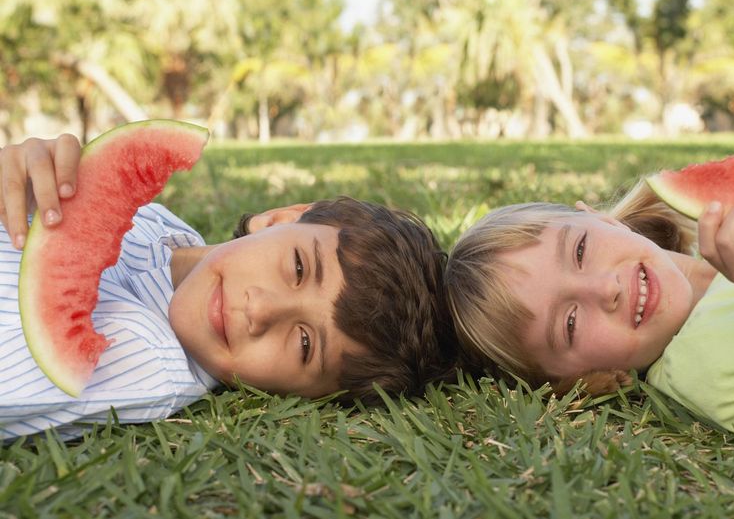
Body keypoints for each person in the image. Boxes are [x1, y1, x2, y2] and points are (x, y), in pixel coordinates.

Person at [0, 134, 457, 440]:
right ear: (280, 218)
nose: (260, 310)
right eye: (297, 267)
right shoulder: (163, 227)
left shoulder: (149, 362)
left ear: (306, 397)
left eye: (303, 344)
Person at [445, 173, 734, 432]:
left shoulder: (715, 225)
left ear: (601, 219)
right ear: (578, 379)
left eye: (580, 250)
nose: (605, 288)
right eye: (570, 322)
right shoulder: (714, 372)